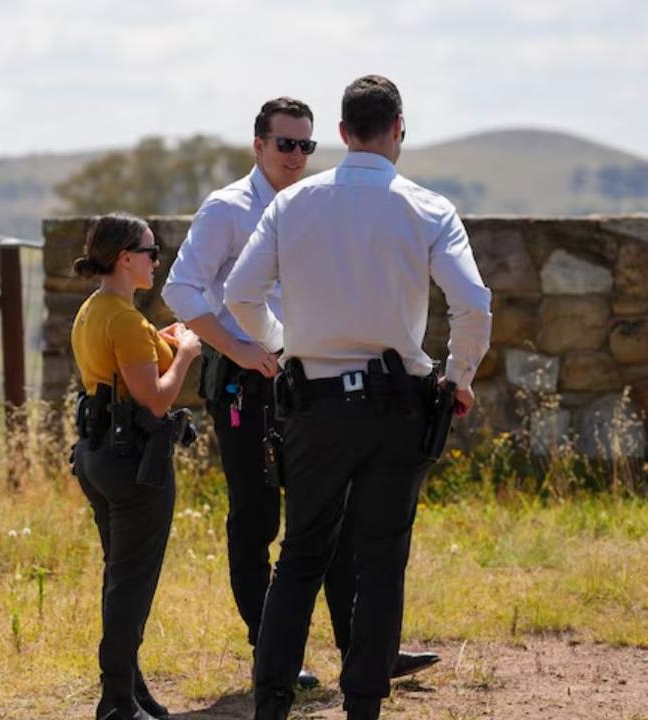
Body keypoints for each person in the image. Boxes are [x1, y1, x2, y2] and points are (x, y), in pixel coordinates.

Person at [224, 75, 492, 720]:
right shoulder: (428, 208)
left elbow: (239, 294)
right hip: (398, 404)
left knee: (299, 557)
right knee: (380, 561)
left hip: (312, 403)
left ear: (342, 133)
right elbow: (474, 304)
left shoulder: (292, 204)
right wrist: (457, 376)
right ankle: (364, 706)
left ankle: (271, 704)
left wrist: (285, 347)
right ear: (399, 128)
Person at [163, 97, 438, 688]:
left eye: (306, 145)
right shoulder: (227, 208)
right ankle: (272, 653)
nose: (295, 155)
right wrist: (238, 349)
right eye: (284, 144)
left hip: (303, 381)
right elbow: (182, 289)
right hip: (244, 381)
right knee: (257, 518)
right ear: (258, 144)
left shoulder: (306, 206)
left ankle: (365, 652)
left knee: (329, 520)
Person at [70, 212, 202, 720]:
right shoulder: (124, 318)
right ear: (125, 258)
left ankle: (132, 691)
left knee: (120, 578)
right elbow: (155, 401)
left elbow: (128, 359)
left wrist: (164, 340)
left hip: (97, 457)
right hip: (135, 465)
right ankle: (116, 701)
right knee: (132, 584)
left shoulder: (96, 309)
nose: (157, 259)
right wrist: (186, 353)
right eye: (151, 251)